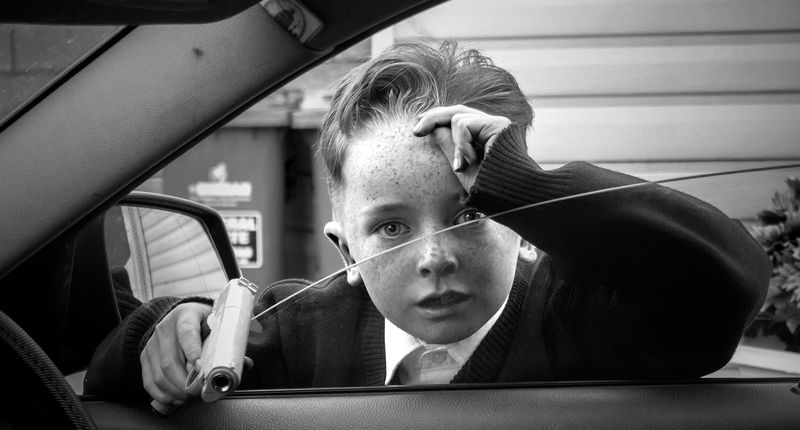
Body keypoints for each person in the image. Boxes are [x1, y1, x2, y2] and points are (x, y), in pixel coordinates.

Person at [85, 41, 770, 406]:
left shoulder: (575, 318)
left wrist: (527, 185)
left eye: (470, 210)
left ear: (519, 222)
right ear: (342, 247)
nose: (435, 255)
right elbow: (112, 376)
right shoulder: (302, 330)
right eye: (389, 227)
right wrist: (169, 330)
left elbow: (723, 284)